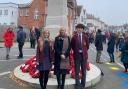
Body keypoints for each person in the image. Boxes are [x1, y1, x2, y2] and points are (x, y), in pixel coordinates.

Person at [71, 24, 89, 89]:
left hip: (84, 56)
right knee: (77, 71)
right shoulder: (74, 37)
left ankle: (83, 84)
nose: (79, 29)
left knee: (84, 71)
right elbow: (72, 46)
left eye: (81, 28)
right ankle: (77, 85)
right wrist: (76, 51)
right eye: (78, 28)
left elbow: (87, 46)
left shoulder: (85, 37)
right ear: (76, 29)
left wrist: (83, 51)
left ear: (83, 29)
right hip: (77, 56)